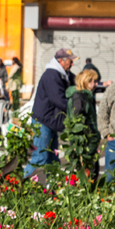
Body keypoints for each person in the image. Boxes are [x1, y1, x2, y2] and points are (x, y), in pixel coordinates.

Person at [23, 48, 78, 177]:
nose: (72, 64)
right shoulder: (52, 75)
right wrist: (75, 109)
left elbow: (81, 82)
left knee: (53, 159)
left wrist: (100, 85)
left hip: (51, 122)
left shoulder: (63, 74)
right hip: (44, 122)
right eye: (70, 61)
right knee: (40, 158)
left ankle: (53, 188)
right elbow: (59, 100)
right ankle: (18, 185)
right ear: (61, 61)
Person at [66, 69, 101, 177]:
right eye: (94, 81)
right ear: (86, 81)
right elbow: (77, 124)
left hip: (88, 143)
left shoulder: (86, 96)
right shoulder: (80, 98)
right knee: (88, 175)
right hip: (85, 145)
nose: (96, 84)